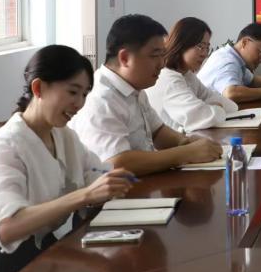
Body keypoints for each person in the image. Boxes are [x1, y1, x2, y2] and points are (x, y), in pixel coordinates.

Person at [0, 45, 135, 272]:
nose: (79, 104)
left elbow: (96, 173)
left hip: (47, 259)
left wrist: (112, 182)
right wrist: (84, 196)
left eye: (85, 94)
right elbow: (7, 227)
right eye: (73, 92)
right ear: (39, 88)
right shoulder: (5, 148)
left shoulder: (63, 135)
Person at [69, 14, 223, 176]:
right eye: (155, 55)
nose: (162, 63)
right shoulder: (101, 98)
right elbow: (116, 163)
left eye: (163, 55)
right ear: (125, 58)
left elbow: (158, 132)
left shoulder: (135, 88)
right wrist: (186, 153)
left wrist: (186, 142)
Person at [147, 17, 238, 131]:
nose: (204, 53)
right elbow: (204, 118)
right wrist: (215, 107)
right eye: (200, 46)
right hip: (171, 141)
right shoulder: (168, 79)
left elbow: (231, 106)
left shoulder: (187, 75)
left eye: (207, 47)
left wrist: (209, 107)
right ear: (182, 44)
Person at [197, 23, 261, 102]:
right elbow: (231, 93)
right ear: (245, 42)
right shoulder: (227, 60)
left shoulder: (236, 59)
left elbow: (252, 80)